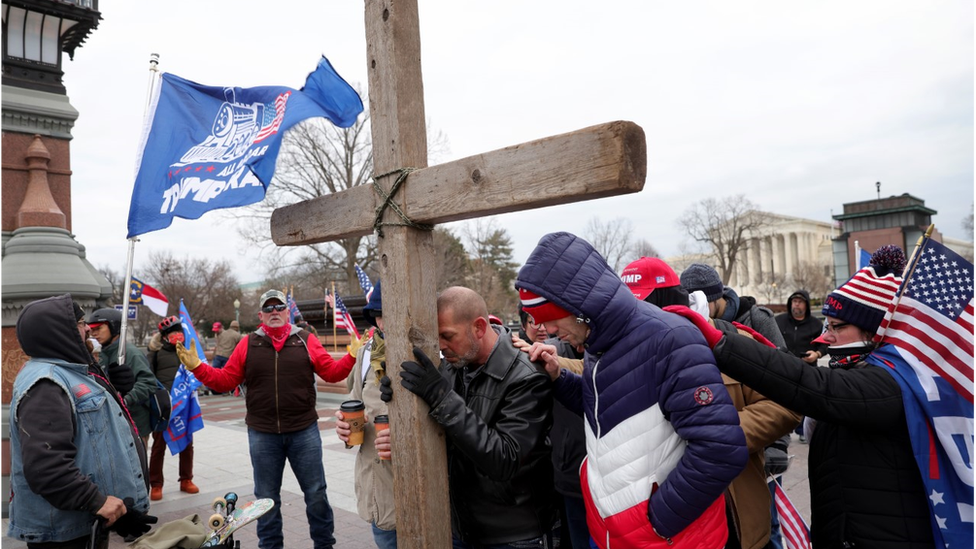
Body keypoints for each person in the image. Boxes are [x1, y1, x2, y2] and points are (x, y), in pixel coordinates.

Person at [668, 246, 943, 548]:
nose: (825, 338)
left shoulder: (889, 383)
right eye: (827, 326)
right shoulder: (864, 372)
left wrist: (719, 339)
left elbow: (807, 385)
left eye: (838, 327)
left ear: (877, 331)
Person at [515, 232, 747, 549]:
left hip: (666, 539)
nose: (549, 331)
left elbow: (721, 450)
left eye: (550, 319)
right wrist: (559, 377)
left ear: (579, 306)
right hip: (614, 533)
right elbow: (609, 409)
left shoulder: (671, 339)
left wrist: (655, 523)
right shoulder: (598, 341)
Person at [175, 289, 356, 549]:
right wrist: (197, 368)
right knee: (266, 500)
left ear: (287, 311)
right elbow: (225, 380)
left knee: (316, 494)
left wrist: (351, 356)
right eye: (268, 309)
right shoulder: (247, 343)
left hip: (303, 431)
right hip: (263, 434)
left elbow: (331, 372)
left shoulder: (305, 339)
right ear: (261, 315)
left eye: (278, 307)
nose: (274, 312)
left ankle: (324, 545)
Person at [387, 286, 557, 548]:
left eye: (447, 336)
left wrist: (442, 398)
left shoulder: (527, 377)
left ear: (479, 327)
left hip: (513, 535)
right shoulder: (455, 366)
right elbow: (444, 435)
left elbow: (505, 459)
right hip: (460, 528)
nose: (441, 346)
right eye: (437, 337)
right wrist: (401, 396)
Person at [8, 295, 155, 547]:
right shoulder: (46, 384)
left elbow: (91, 433)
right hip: (64, 532)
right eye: (80, 322)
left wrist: (113, 386)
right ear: (58, 331)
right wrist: (98, 502)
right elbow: (47, 468)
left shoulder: (66, 370)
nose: (88, 328)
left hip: (84, 524)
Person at [333, 280, 397, 548]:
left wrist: (406, 440)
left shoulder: (438, 353)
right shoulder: (366, 355)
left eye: (391, 313)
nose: (384, 323)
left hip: (429, 497)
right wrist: (345, 430)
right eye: (380, 315)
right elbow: (354, 404)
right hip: (380, 497)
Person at [87, 307, 158, 448]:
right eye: (92, 330)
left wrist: (126, 399)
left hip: (135, 422)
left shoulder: (130, 353)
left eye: (99, 328)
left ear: (114, 327)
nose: (94, 334)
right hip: (116, 422)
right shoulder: (103, 354)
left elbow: (149, 383)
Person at [147, 316, 200, 501]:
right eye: (172, 333)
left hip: (184, 406)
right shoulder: (155, 353)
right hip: (163, 406)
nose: (177, 336)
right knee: (159, 445)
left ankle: (186, 479)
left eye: (179, 332)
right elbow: (148, 378)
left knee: (187, 443)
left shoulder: (187, 352)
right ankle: (156, 484)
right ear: (164, 337)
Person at [680, 263, 787, 349]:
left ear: (715, 297)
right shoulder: (695, 325)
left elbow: (784, 363)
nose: (697, 310)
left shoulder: (758, 319)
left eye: (702, 303)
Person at [775, 290, 826, 365]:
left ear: (806, 305)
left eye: (800, 302)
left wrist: (817, 354)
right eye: (794, 301)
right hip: (783, 366)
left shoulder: (816, 324)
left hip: (808, 368)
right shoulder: (778, 321)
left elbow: (825, 344)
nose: (797, 304)